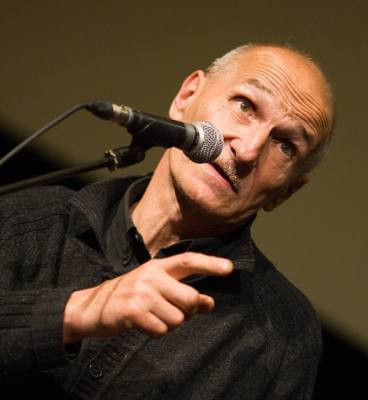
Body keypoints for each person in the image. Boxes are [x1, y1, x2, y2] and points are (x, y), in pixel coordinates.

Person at [0, 43, 334, 399]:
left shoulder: (281, 338)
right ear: (187, 96)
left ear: (287, 191)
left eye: (285, 146)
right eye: (245, 106)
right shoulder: (29, 219)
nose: (248, 150)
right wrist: (70, 314)